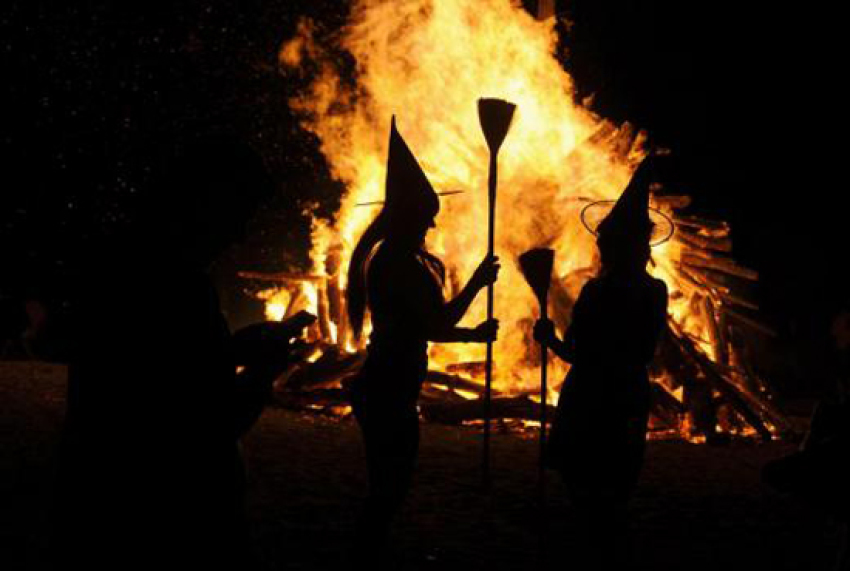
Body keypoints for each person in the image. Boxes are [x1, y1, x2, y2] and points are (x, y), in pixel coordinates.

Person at [50, 136, 310, 571]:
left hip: (94, 496)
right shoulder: (178, 288)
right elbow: (206, 421)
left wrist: (236, 346)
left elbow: (159, 368)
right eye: (239, 213)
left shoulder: (122, 266)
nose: (241, 232)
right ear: (205, 202)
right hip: (167, 517)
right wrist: (265, 368)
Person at [346, 117, 500, 566]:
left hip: (390, 388)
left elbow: (422, 326)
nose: (430, 228)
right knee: (387, 490)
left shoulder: (401, 259)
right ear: (408, 218)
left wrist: (471, 334)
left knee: (389, 488)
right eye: (426, 220)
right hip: (385, 390)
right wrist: (475, 285)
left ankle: (368, 553)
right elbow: (433, 324)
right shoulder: (396, 264)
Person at [534, 157, 670, 567]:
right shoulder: (656, 291)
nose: (597, 247)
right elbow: (647, 351)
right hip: (628, 395)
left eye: (603, 242)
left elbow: (577, 352)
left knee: (584, 486)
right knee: (616, 487)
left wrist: (549, 340)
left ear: (610, 246)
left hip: (590, 396)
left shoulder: (597, 292)